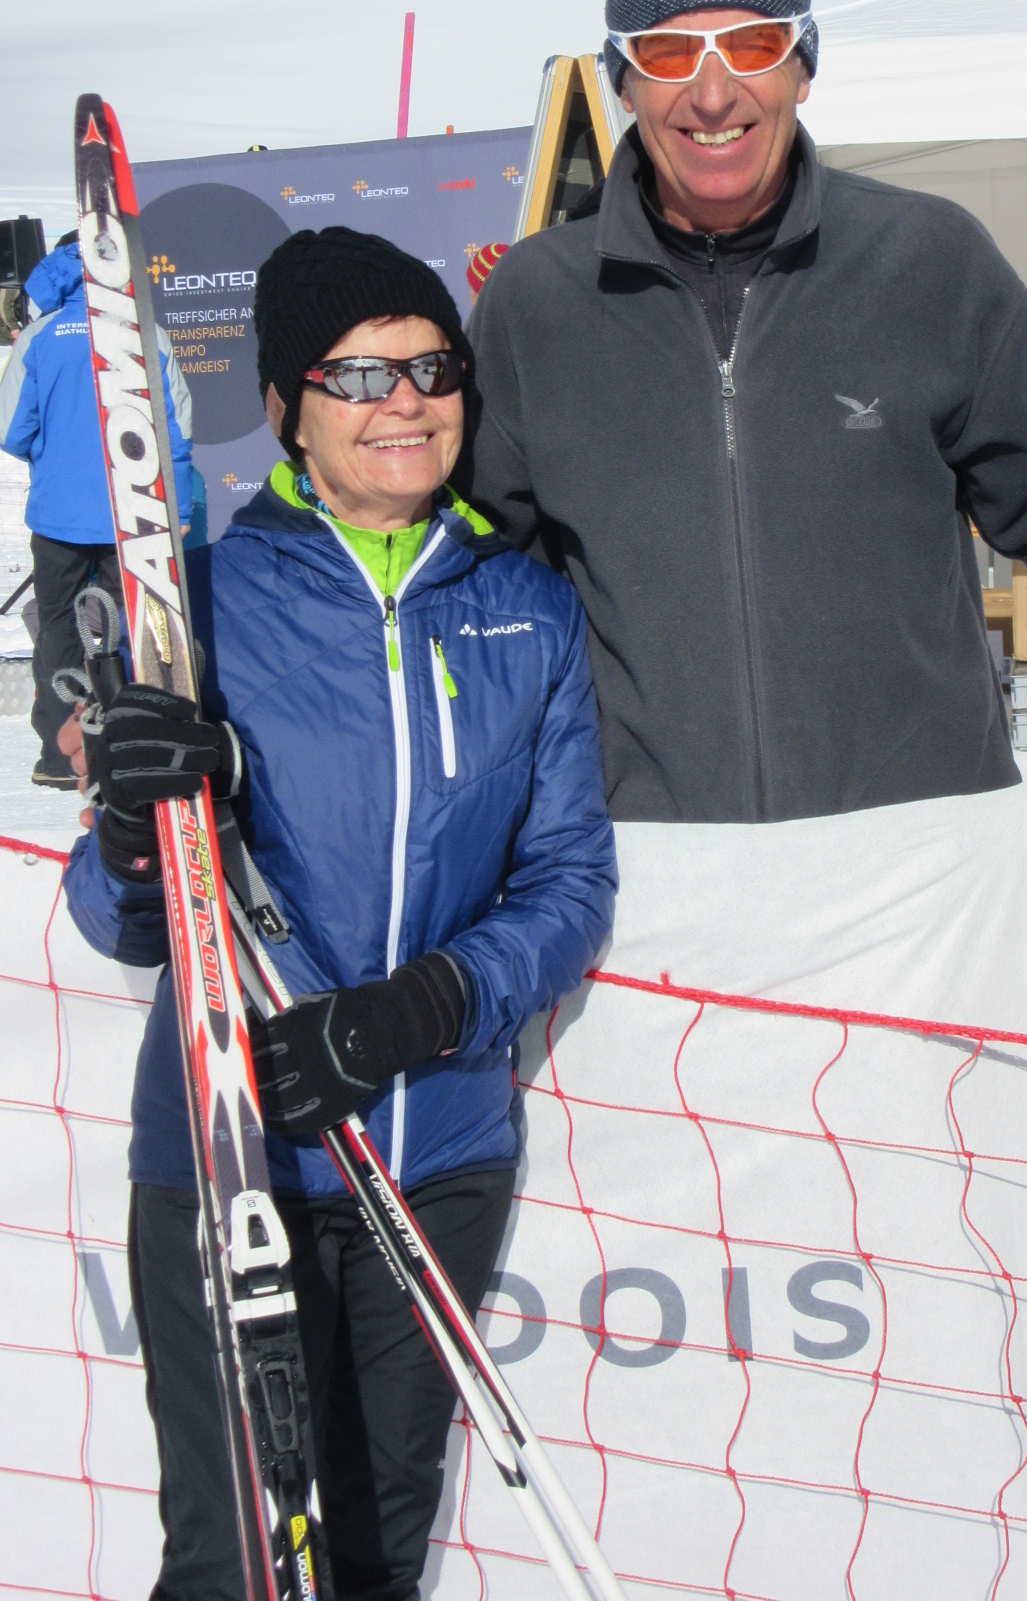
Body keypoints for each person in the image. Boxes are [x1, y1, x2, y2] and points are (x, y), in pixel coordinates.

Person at [61, 228, 617, 1601]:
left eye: (432, 368)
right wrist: (133, 826)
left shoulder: (524, 608)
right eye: (359, 375)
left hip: (436, 1158)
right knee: (233, 1561)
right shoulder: (199, 610)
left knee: (373, 1555)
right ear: (285, 409)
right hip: (232, 1157)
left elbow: (569, 883)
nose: (405, 401)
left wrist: (415, 1010)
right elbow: (119, 921)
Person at [467, 0, 1027, 822]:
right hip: (653, 858)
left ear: (803, 68)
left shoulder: (927, 259)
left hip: (915, 845)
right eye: (670, 53)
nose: (713, 93)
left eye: (753, 45)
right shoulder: (538, 305)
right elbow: (475, 588)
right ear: (624, 82)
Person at [0, 232, 192, 786]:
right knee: (129, 626)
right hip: (133, 510)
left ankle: (61, 756)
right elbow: (176, 428)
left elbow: (11, 430)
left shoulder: (40, 335)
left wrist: (56, 453)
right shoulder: (143, 331)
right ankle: (126, 747)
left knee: (59, 626)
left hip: (58, 515)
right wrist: (177, 504)